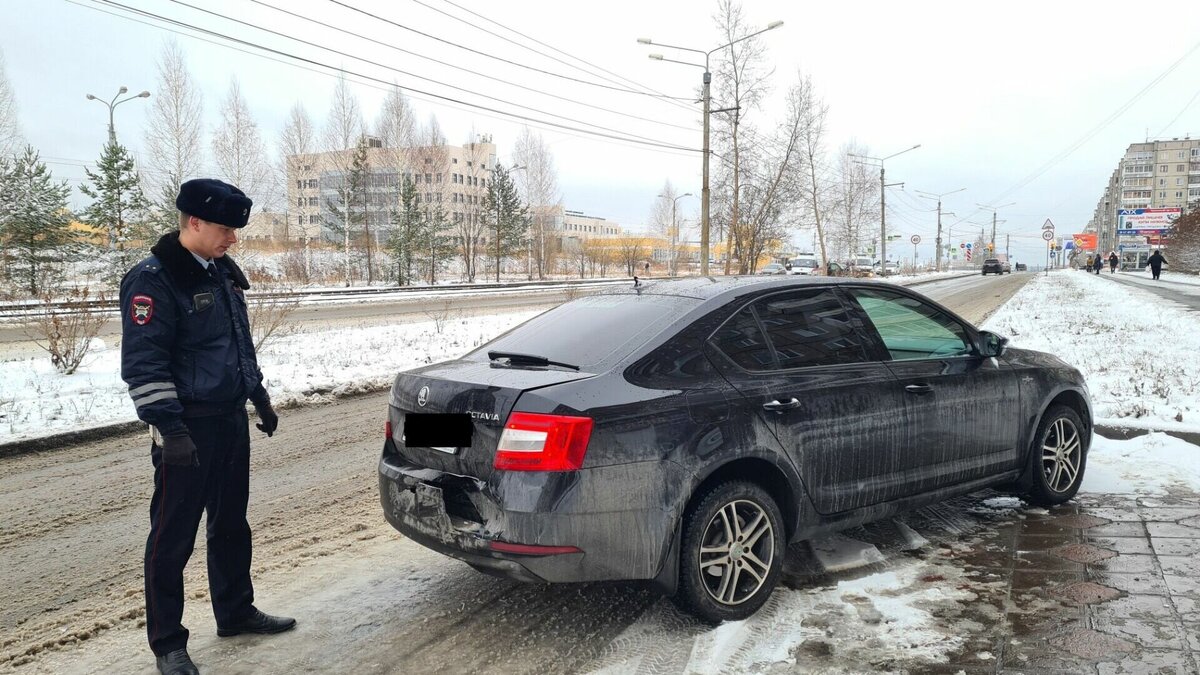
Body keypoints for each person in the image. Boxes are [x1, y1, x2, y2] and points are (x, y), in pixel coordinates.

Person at [120, 179, 294, 675]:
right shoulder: (154, 280)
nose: (233, 238)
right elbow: (144, 365)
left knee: (231, 524)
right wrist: (170, 430)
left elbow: (239, 343)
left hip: (228, 420)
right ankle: (169, 645)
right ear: (193, 222)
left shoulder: (220, 273)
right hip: (186, 429)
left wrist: (257, 394)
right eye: (225, 228)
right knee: (171, 537)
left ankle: (235, 612)